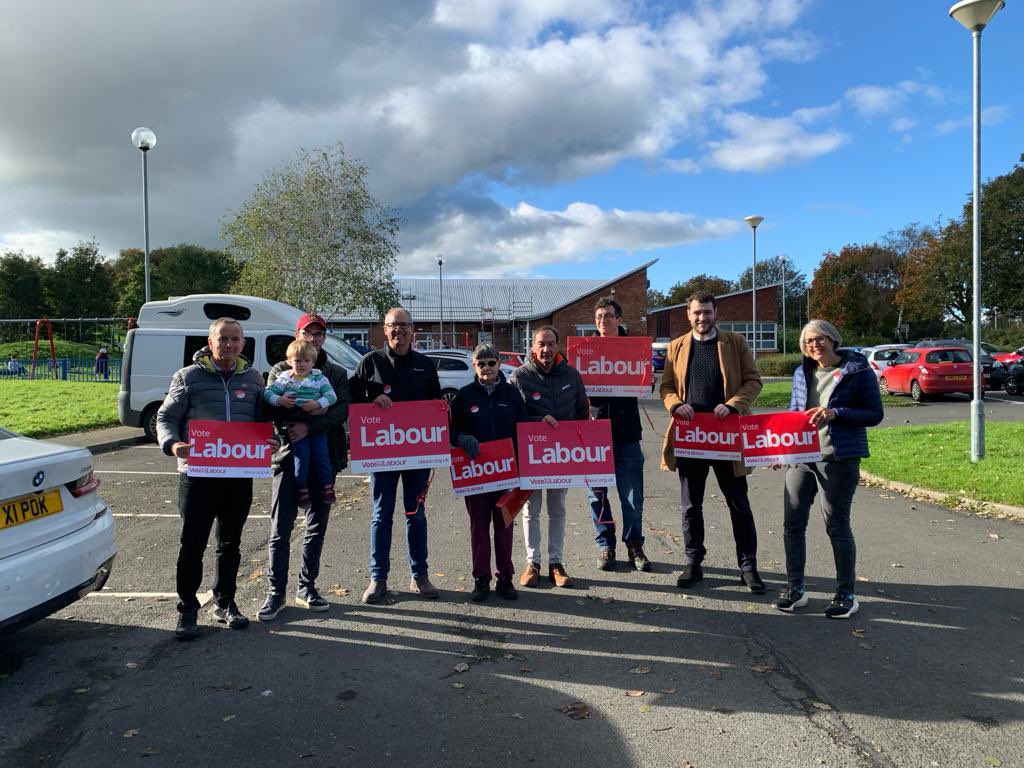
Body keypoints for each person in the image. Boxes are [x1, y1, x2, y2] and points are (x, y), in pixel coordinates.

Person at [156, 317, 278, 640]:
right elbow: (166, 416)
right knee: (192, 543)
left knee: (230, 543)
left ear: (243, 343)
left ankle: (225, 602)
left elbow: (262, 420)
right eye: (223, 339)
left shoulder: (253, 378)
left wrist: (273, 440)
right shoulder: (187, 377)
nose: (229, 344)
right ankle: (187, 608)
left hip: (238, 476)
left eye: (235, 339)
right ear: (210, 343)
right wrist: (172, 444)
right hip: (197, 475)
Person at [775, 320, 883, 619]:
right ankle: (795, 589)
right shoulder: (802, 372)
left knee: (836, 525)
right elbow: (794, 413)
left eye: (820, 339)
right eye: (808, 341)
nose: (814, 345)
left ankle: (846, 595)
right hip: (802, 459)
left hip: (838, 459)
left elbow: (875, 414)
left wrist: (835, 413)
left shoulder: (858, 372)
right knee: (792, 525)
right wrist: (778, 449)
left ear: (833, 340)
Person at [659, 291, 765, 593]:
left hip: (727, 435)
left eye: (707, 312)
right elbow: (666, 386)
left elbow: (753, 381)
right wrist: (676, 404)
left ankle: (748, 566)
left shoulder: (736, 342)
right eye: (697, 313)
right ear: (688, 314)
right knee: (691, 506)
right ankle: (693, 562)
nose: (702, 318)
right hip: (692, 436)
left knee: (739, 504)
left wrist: (733, 404)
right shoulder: (676, 346)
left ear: (715, 312)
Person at [258, 314, 350, 622]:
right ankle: (275, 592)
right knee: (280, 529)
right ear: (297, 334)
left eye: (319, 334)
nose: (314, 338)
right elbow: (269, 405)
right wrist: (290, 421)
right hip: (287, 457)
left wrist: (310, 426)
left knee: (316, 526)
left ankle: (306, 587)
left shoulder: (334, 373)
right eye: (308, 333)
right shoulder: (281, 370)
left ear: (324, 339)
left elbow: (340, 410)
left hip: (324, 456)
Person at [350, 307, 442, 604]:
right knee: (381, 515)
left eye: (404, 325)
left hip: (417, 453)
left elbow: (436, 404)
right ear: (384, 329)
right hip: (383, 453)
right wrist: (370, 398)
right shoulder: (370, 362)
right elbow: (351, 399)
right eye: (393, 325)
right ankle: (378, 579)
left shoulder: (426, 365)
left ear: (412, 330)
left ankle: (419, 575)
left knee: (416, 515)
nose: (399, 330)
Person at [510, 326, 590, 588]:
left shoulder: (572, 375)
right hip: (531, 455)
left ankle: (556, 562)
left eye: (551, 344)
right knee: (531, 511)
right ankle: (533, 562)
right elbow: (512, 417)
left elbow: (581, 413)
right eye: (541, 344)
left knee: (558, 510)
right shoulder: (519, 377)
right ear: (532, 347)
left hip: (561, 456)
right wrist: (537, 420)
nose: (546, 349)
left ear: (558, 346)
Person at [450, 343, 529, 601]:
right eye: (481, 363)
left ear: (498, 364)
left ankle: (505, 577)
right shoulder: (464, 396)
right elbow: (452, 430)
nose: (487, 368)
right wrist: (463, 438)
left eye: (491, 363)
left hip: (506, 472)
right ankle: (481, 579)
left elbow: (523, 429)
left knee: (504, 528)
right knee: (479, 528)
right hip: (476, 473)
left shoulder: (511, 394)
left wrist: (522, 466)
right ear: (474, 366)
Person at [588, 297, 649, 572]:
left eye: (609, 316)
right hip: (595, 434)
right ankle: (605, 544)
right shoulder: (584, 351)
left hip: (627, 434)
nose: (603, 320)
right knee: (596, 495)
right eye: (599, 316)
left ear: (620, 320)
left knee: (633, 496)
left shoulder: (635, 349)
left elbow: (643, 382)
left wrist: (648, 379)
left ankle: (634, 543)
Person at [263, 339, 339, 507]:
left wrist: (318, 404)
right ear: (289, 361)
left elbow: (332, 397)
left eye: (306, 360)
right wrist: (280, 400)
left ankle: (327, 486)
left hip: (316, 425)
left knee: (321, 456)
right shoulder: (284, 378)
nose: (302, 364)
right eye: (297, 360)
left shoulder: (319, 378)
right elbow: (267, 394)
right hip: (296, 426)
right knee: (302, 457)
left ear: (313, 361)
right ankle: (302, 487)